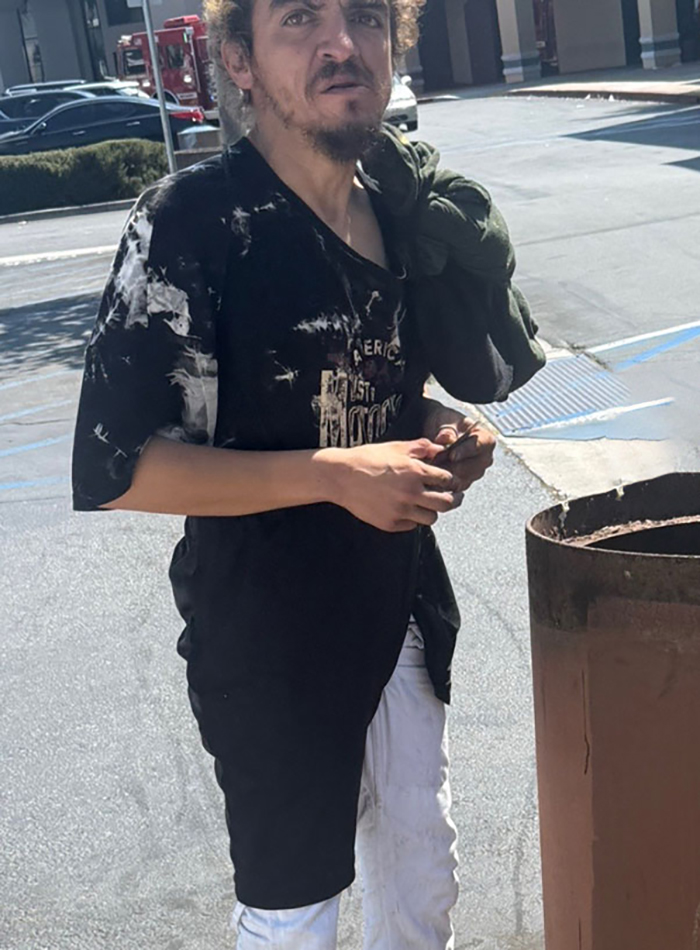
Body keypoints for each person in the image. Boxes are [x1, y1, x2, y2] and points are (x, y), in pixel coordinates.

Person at [71, 0, 500, 944]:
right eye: (299, 19)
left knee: (423, 885)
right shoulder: (191, 221)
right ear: (241, 62)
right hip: (267, 641)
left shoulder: (393, 205)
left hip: (399, 620)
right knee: (295, 915)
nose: (341, 45)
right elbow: (116, 467)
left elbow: (382, 393)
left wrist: (441, 431)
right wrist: (337, 476)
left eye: (365, 17)